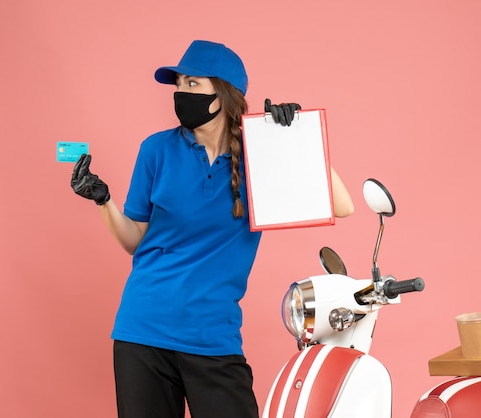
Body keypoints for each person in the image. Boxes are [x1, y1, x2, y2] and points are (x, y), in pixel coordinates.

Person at [70, 39, 354, 418]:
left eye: (193, 84)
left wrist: (295, 136)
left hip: (211, 334)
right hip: (142, 328)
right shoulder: (156, 149)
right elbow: (134, 242)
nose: (180, 93)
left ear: (222, 93)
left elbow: (342, 206)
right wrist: (103, 200)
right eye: (179, 84)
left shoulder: (260, 155)